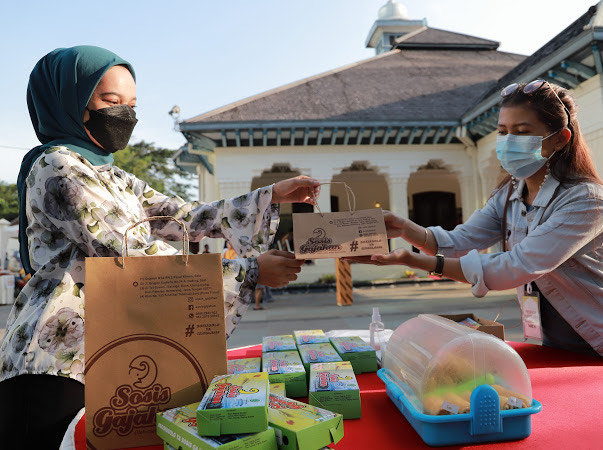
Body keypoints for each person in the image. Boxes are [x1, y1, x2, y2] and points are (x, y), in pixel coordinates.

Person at [0, 46, 318, 447]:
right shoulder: (59, 165)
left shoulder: (111, 175)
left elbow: (182, 216)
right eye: (111, 102)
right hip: (56, 358)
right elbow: (127, 251)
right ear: (70, 103)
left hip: (109, 345)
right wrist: (249, 271)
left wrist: (271, 196)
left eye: (132, 104)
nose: (125, 115)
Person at [348, 80, 602, 356]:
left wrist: (413, 260)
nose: (508, 142)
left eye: (522, 132)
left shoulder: (585, 200)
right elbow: (462, 240)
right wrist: (405, 229)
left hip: (596, 340)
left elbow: (518, 265)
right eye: (503, 132)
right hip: (554, 344)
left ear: (559, 138)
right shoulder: (509, 194)